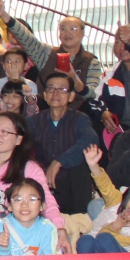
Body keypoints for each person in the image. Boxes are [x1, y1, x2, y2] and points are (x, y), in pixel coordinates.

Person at [0, 111, 70, 253]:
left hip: (23, 243)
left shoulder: (29, 168)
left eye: (4, 131)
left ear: (18, 140)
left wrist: (60, 229)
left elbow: (46, 200)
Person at [0, 0, 102, 109]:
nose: (67, 33)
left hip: (78, 113)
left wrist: (75, 81)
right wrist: (4, 15)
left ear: (83, 33)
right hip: (44, 112)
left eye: (73, 29)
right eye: (63, 29)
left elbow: (93, 95)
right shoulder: (47, 54)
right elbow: (27, 38)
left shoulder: (91, 61)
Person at [28, 72, 99, 216]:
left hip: (73, 185)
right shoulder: (34, 121)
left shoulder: (80, 119)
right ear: (45, 95)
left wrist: (60, 161)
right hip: (43, 183)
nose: (55, 93)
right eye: (51, 89)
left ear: (71, 96)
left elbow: (91, 139)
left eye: (62, 89)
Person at [0, 178, 58, 256]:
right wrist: (2, 247)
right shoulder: (0, 225)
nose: (24, 204)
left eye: (32, 199)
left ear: (42, 206)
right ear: (9, 206)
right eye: (18, 199)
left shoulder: (48, 228)